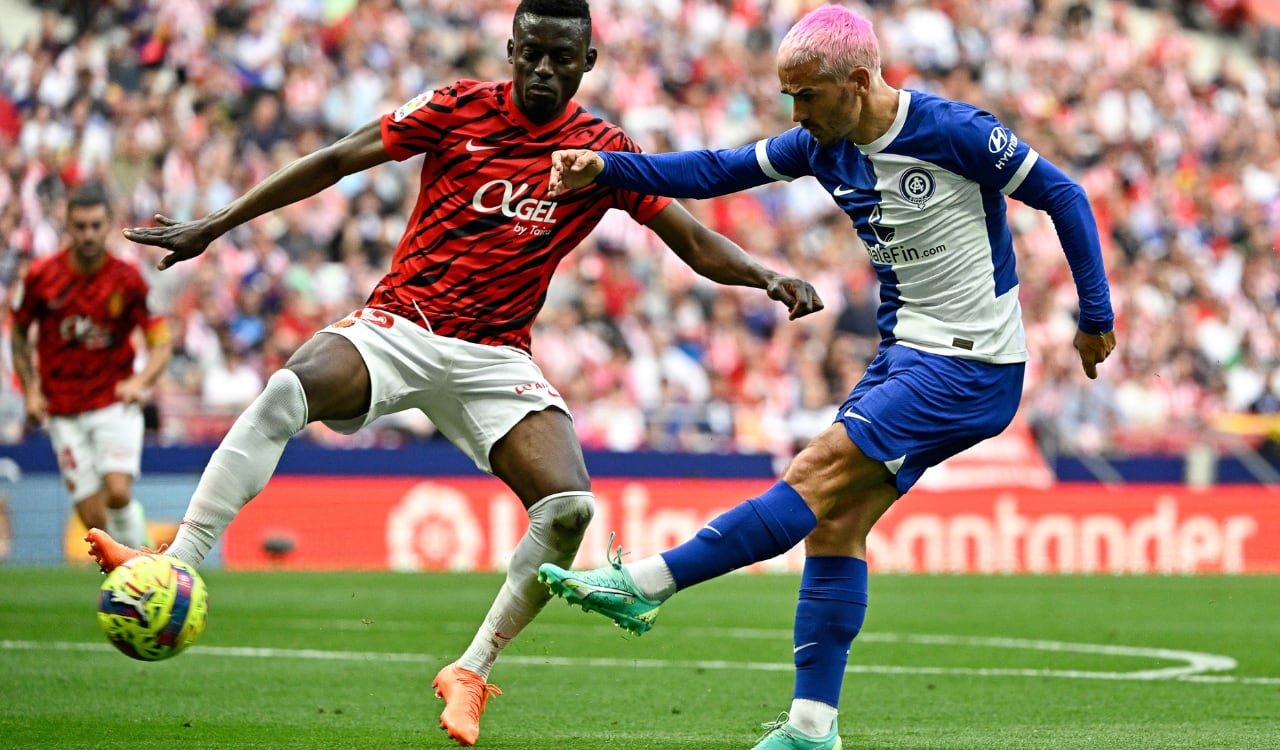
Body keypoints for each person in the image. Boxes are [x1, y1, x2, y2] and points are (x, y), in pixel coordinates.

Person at [83, 0, 823, 747]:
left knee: (569, 509)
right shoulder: (455, 107)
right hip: (401, 327)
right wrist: (216, 224)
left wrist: (766, 277)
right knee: (287, 390)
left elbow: (691, 239)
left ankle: (470, 669)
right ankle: (177, 561)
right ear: (509, 48)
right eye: (530, 52)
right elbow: (339, 157)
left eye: (560, 57)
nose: (542, 68)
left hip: (495, 357)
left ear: (587, 62)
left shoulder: (602, 153)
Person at [537, 6, 1117, 750]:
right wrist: (608, 167)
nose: (797, 113)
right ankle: (813, 728)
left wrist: (1094, 315)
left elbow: (1064, 194)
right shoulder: (823, 145)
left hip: (971, 363)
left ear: (859, 80)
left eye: (807, 95)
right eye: (791, 97)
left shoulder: (953, 131)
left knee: (814, 469)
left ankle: (644, 584)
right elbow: (717, 170)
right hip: (906, 353)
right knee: (836, 522)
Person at [9, 182, 171, 553]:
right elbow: (18, 332)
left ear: (109, 224)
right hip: (62, 409)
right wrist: (30, 389)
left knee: (117, 491)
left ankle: (143, 577)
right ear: (68, 226)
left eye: (96, 225)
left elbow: (161, 341)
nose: (88, 234)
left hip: (114, 399)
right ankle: (134, 562)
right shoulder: (41, 277)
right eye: (80, 226)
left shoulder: (128, 280)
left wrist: (141, 380)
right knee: (93, 522)